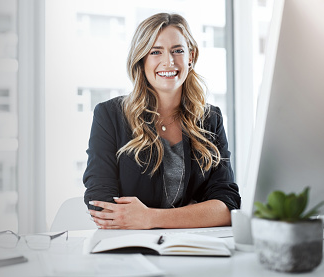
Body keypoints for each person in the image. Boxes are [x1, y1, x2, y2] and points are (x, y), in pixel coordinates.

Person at [83, 13, 240, 230]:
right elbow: (101, 204)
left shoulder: (210, 119)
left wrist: (149, 218)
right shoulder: (110, 115)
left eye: (178, 50)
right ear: (142, 58)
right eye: (156, 52)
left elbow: (227, 205)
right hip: (131, 248)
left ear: (191, 56)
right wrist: (197, 213)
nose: (169, 61)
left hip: (193, 247)